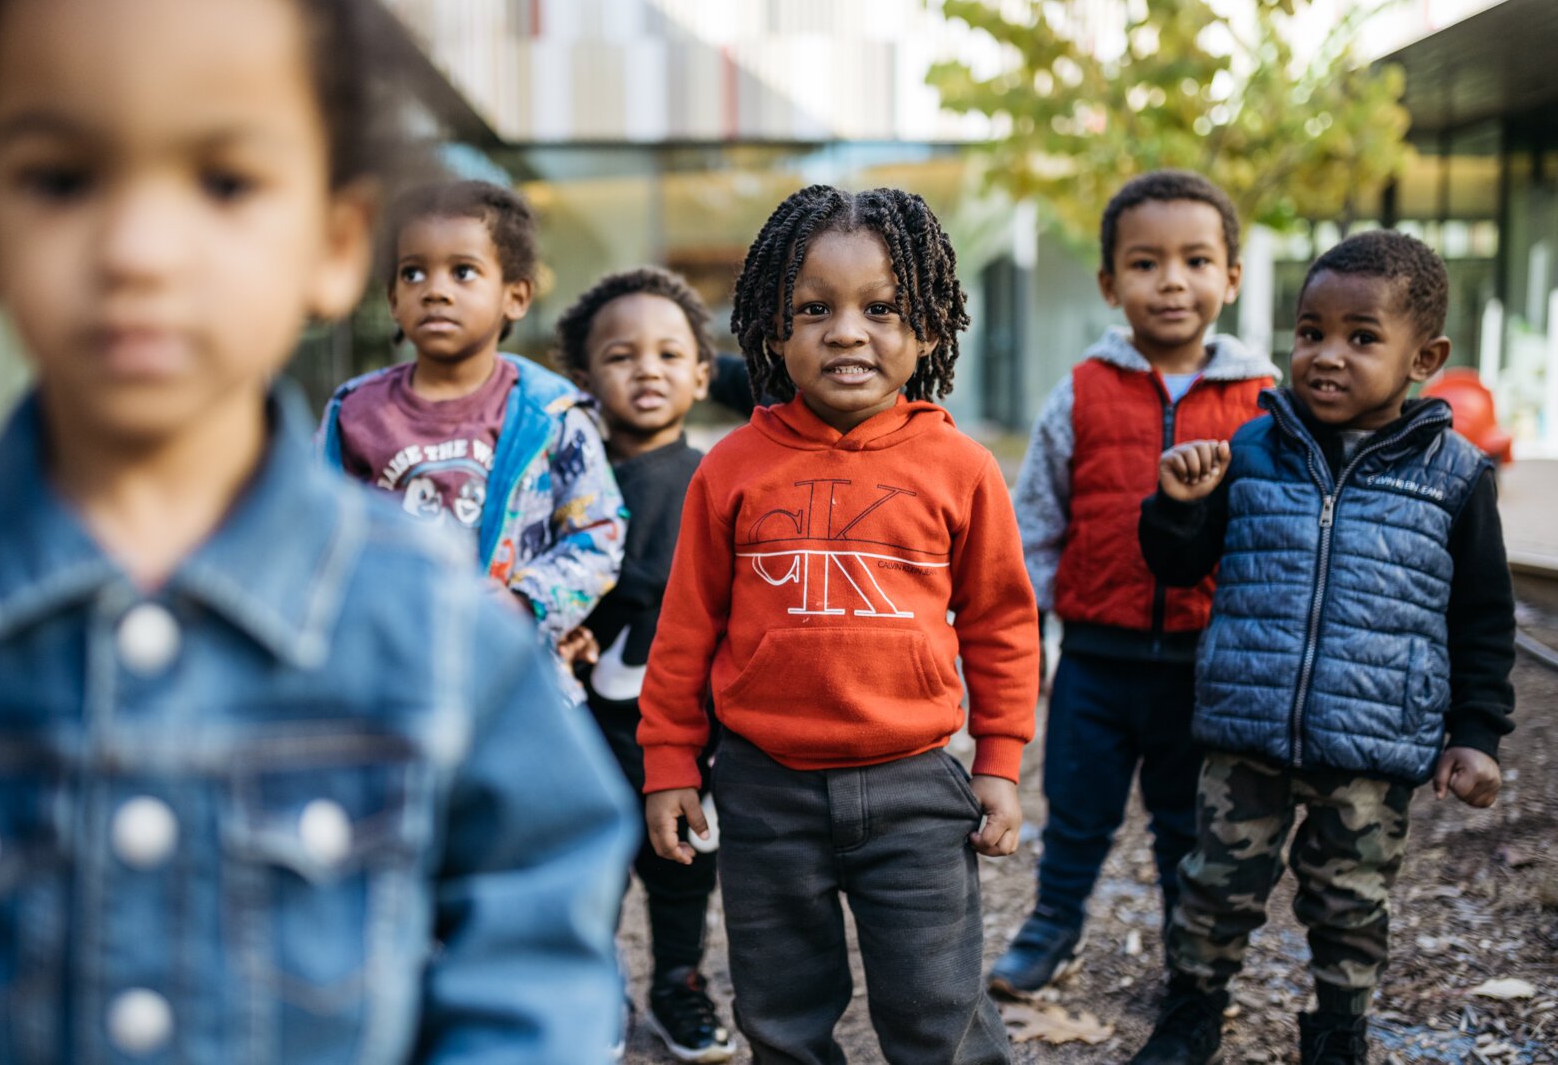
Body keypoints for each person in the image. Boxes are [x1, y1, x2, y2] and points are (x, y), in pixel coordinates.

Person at [0, 0, 636, 1061]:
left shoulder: (444, 631)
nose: (140, 247)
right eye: (62, 178)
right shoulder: (359, 411)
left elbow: (532, 957)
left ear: (330, 244)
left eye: (225, 181)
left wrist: (529, 607)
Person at [638, 185, 1039, 1065]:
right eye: (813, 308)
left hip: (915, 792)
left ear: (929, 327)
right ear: (771, 332)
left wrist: (1001, 762)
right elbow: (685, 629)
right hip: (763, 789)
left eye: (882, 308)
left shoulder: (963, 470)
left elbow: (1002, 627)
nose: (847, 331)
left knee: (938, 1011)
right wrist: (668, 761)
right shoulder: (730, 469)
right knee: (780, 1014)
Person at [1128, 230, 1516, 1065]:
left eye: (1361, 337)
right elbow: (1177, 564)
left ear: (1425, 357)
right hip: (1246, 730)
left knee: (1350, 900)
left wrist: (1474, 734)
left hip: (1372, 743)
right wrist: (1176, 504)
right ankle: (1191, 1012)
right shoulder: (1250, 451)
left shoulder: (1454, 476)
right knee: (1214, 888)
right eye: (1310, 332)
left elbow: (1481, 619)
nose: (1326, 356)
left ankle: (1337, 1026)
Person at [990, 171, 1280, 997]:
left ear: (1229, 276)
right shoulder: (1079, 390)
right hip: (1094, 656)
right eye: (1146, 264)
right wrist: (1026, 636)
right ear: (1110, 284)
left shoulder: (1263, 402)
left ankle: (1188, 956)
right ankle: (1052, 926)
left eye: (1195, 261)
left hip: (1207, 661)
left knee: (1187, 825)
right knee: (1077, 811)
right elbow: (1036, 523)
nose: (1171, 282)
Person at [317, 180, 626, 679]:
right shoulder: (354, 411)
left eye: (463, 272)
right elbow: (314, 525)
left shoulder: (550, 413)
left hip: (510, 669)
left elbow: (598, 530)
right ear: (393, 299)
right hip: (384, 663)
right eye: (412, 273)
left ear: (516, 296)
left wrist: (525, 602)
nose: (435, 290)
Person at [555, 266, 737, 1063]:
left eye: (670, 354)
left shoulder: (717, 480)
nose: (647, 370)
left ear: (701, 375)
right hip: (580, 725)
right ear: (585, 379)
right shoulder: (562, 480)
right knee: (586, 871)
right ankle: (590, 992)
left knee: (679, 870)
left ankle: (677, 982)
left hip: (680, 730)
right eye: (622, 356)